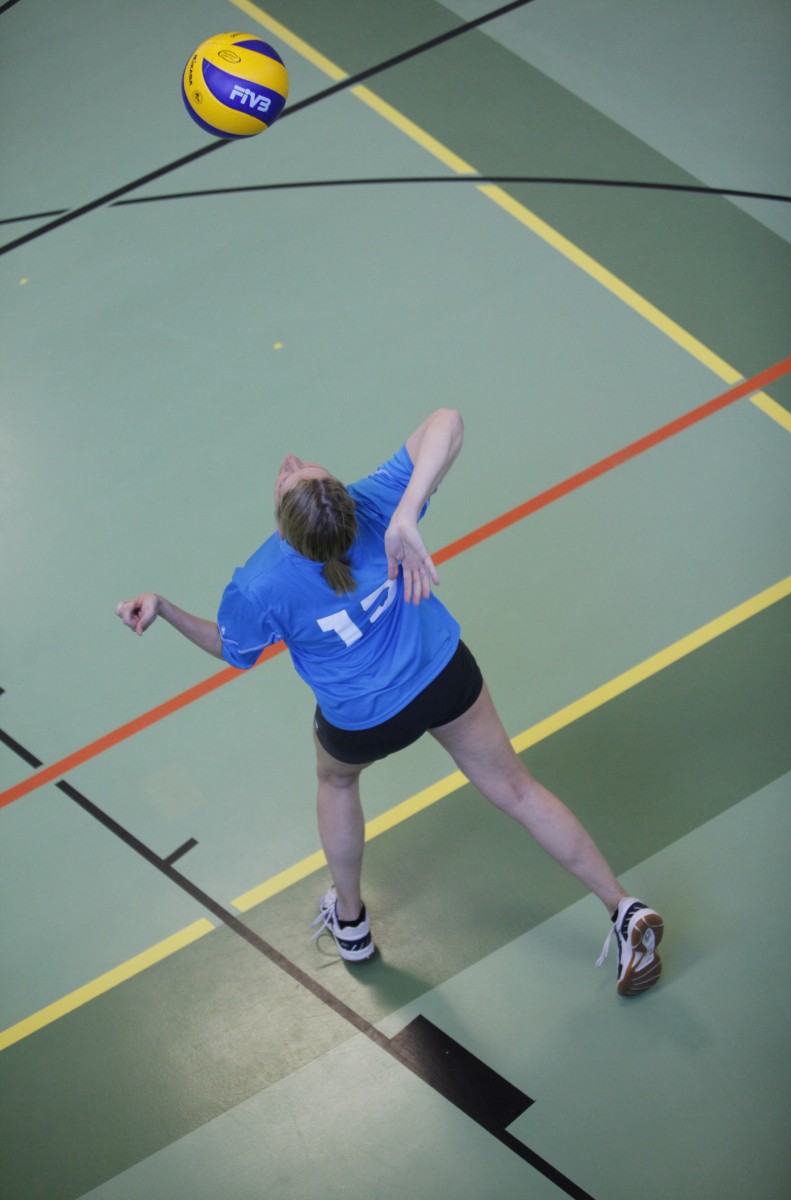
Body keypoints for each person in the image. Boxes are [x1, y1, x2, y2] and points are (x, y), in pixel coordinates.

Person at [116, 408, 663, 996]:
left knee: (337, 782)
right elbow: (448, 421)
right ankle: (623, 908)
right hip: (444, 675)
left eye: (297, 473)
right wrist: (408, 510)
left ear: (286, 526)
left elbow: (232, 649)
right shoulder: (375, 503)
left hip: (363, 721)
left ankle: (351, 921)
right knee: (518, 791)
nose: (290, 462)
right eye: (294, 473)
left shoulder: (259, 582)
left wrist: (165, 608)